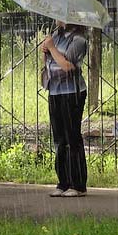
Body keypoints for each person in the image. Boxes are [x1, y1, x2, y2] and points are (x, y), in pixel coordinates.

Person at [40, 21, 89, 197]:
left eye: (61, 17)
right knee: (59, 138)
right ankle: (63, 182)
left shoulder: (79, 40)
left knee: (72, 137)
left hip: (72, 92)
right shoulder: (57, 36)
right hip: (55, 91)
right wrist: (45, 52)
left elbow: (68, 66)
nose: (57, 20)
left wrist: (52, 48)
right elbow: (49, 63)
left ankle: (78, 185)